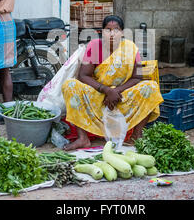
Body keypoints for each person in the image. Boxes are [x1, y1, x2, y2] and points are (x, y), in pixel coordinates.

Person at [61, 15, 164, 151]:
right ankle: (82, 138)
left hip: (121, 96)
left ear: (122, 33)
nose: (112, 33)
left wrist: (116, 91)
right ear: (102, 31)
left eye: (116, 29)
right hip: (98, 95)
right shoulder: (94, 46)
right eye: (108, 29)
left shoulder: (131, 48)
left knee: (151, 87)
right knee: (70, 85)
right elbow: (83, 75)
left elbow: (137, 77)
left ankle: (136, 136)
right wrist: (106, 90)